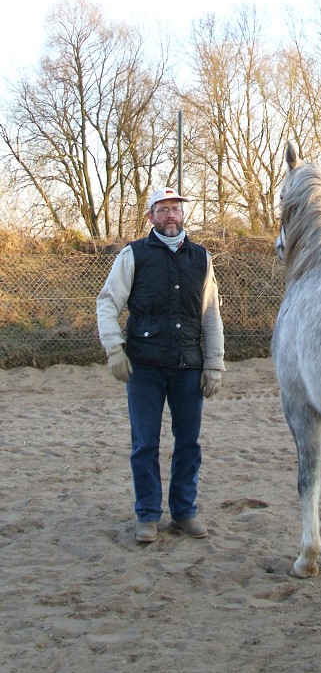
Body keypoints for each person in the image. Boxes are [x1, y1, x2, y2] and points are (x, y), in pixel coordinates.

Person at [96, 187, 225, 545]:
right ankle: (148, 514)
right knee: (144, 444)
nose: (171, 215)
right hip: (144, 367)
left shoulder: (201, 257)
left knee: (188, 443)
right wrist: (114, 349)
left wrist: (214, 363)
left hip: (188, 366)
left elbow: (210, 313)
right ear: (151, 216)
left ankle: (185, 511)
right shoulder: (133, 255)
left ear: (183, 215)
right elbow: (107, 302)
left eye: (176, 209)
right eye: (163, 209)